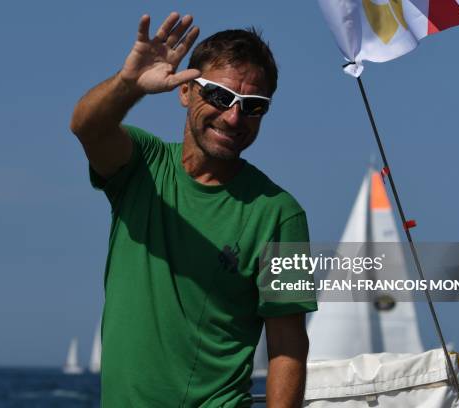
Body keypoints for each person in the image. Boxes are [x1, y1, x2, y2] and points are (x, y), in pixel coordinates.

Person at [70, 12, 317, 407]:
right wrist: (128, 86)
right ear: (185, 92)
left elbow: (287, 346)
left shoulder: (282, 214)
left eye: (253, 106)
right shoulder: (141, 167)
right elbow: (88, 127)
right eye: (220, 97)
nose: (234, 117)